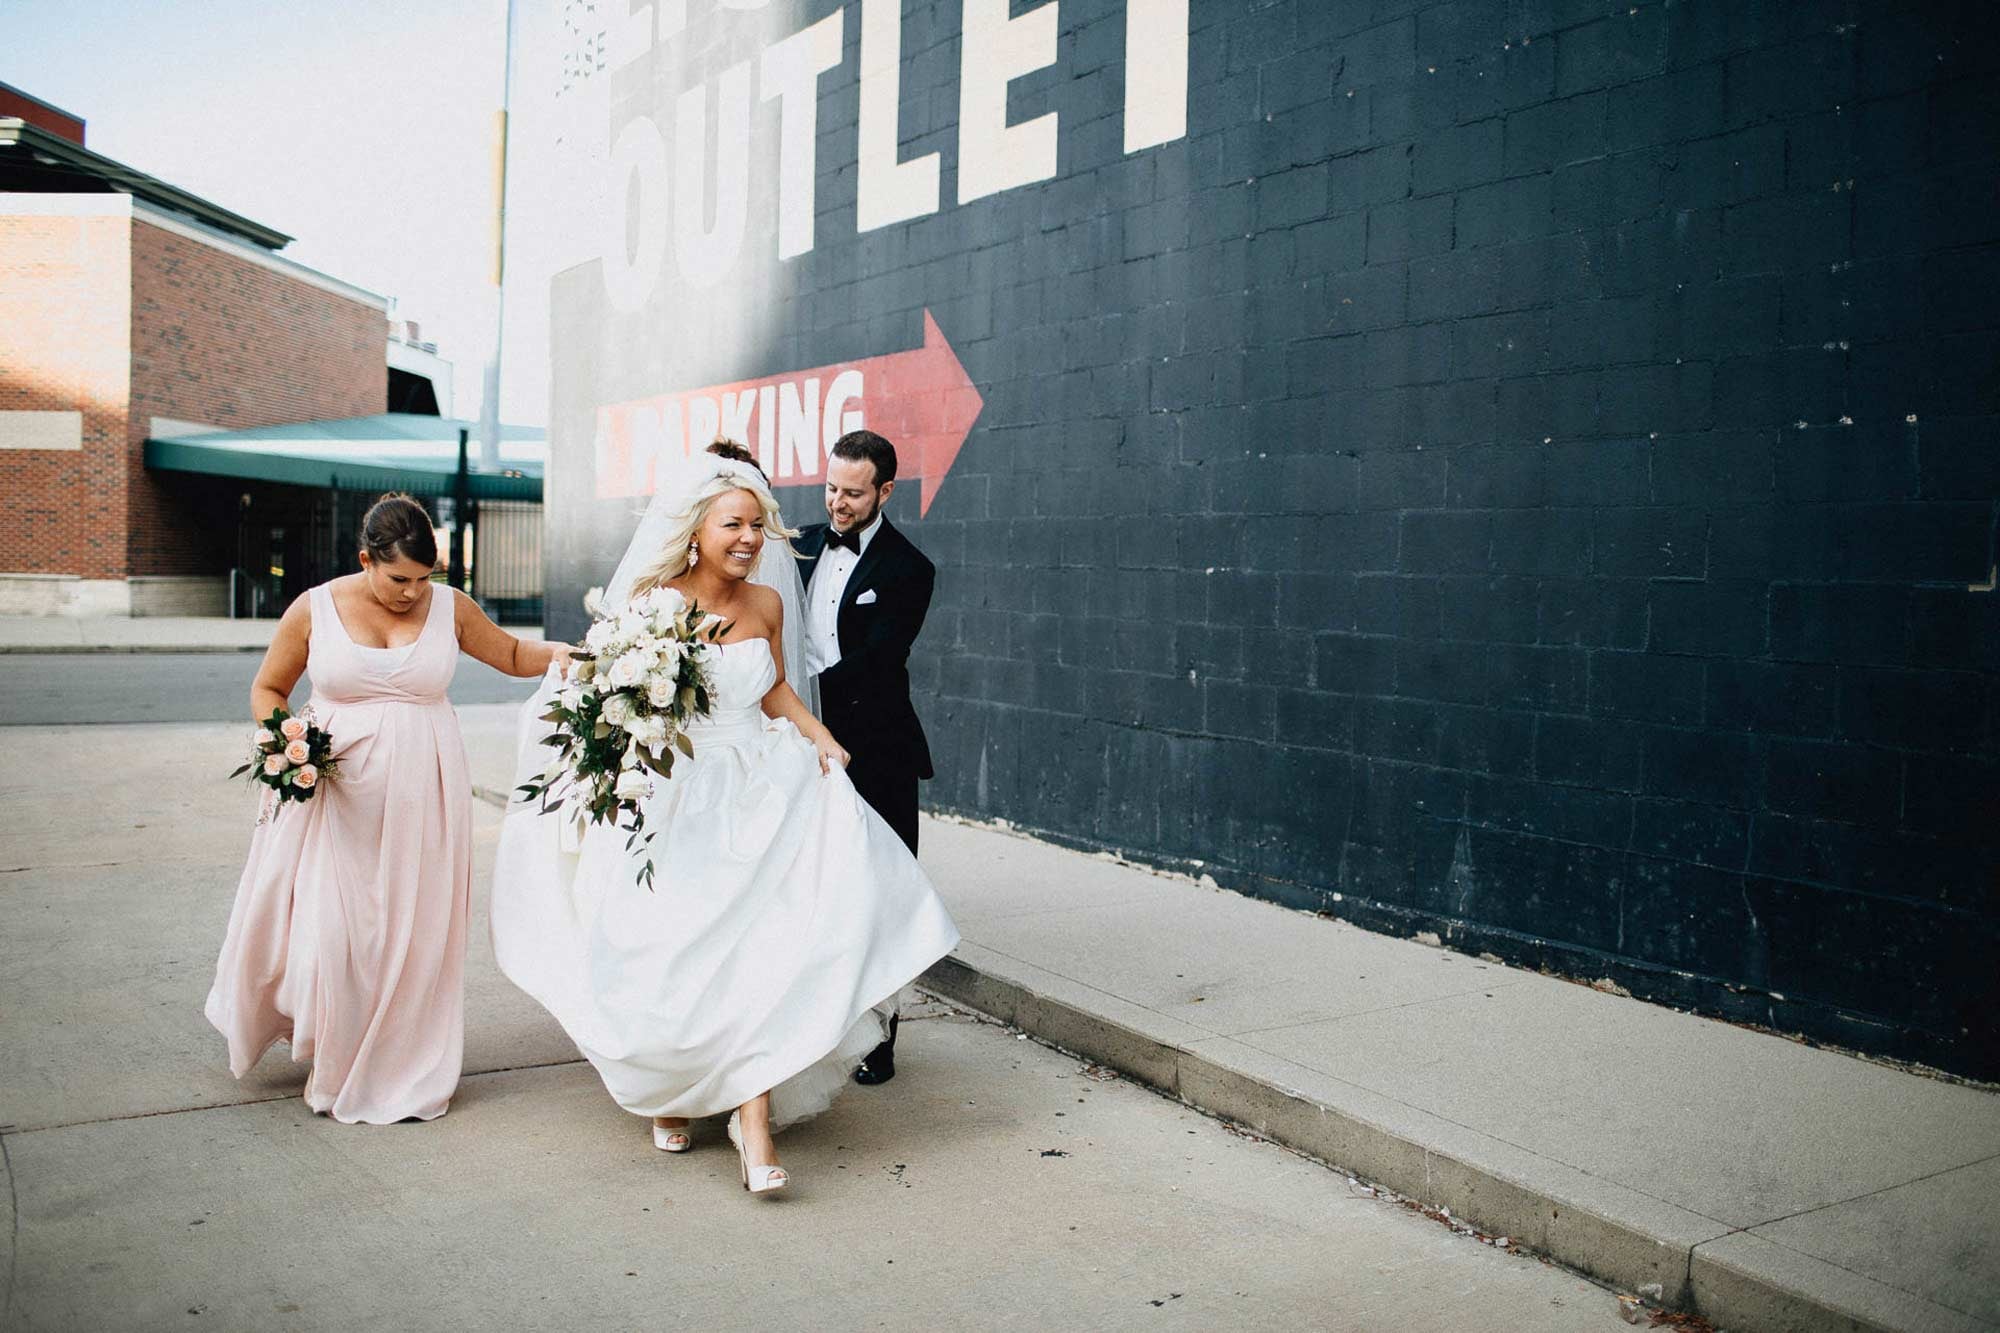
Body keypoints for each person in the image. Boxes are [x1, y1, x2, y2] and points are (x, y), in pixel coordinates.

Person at [489, 453, 959, 1195]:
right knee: (673, 949)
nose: (748, 537)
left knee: (763, 951)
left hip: (759, 788)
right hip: (679, 793)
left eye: (755, 524)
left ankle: (754, 1119)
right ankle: (675, 1089)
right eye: (732, 524)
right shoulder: (653, 603)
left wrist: (821, 737)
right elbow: (621, 694)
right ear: (696, 532)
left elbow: (771, 689)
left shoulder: (768, 604)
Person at [205, 493, 573, 1124]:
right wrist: (285, 741)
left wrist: (571, 654)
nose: (411, 593)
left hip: (423, 797)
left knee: (414, 930)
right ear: (366, 560)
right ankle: (340, 1053)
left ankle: (402, 1061)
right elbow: (269, 688)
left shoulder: (450, 608)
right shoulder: (313, 608)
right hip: (333, 797)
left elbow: (511, 656)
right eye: (399, 578)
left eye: (424, 579)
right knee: (336, 930)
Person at [793, 429, 938, 1085]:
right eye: (831, 488)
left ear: (884, 490)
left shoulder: (911, 568)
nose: (837, 503)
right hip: (799, 750)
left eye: (852, 492)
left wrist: (791, 697)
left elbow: (879, 660)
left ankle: (880, 1038)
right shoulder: (793, 548)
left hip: (877, 753)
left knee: (881, 895)